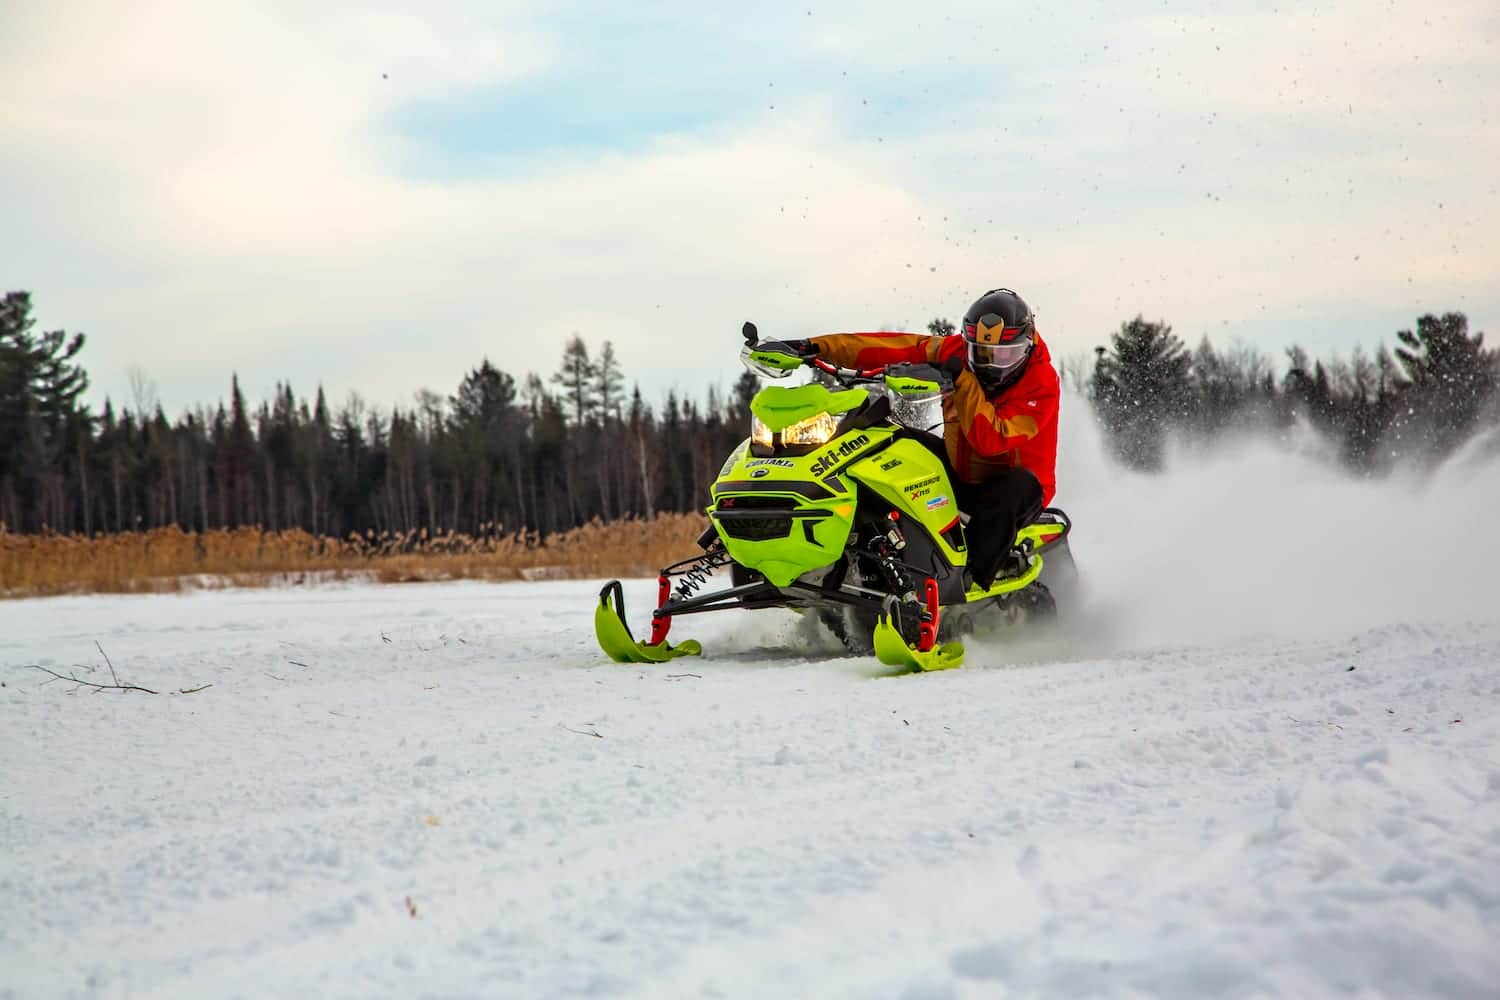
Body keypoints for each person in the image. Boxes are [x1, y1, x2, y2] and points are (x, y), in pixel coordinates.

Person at [778, 288, 1059, 591]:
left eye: (1005, 355)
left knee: (1014, 489)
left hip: (1014, 488)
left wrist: (963, 381)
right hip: (959, 472)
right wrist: (814, 348)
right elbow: (888, 346)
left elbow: (990, 440)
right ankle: (861, 547)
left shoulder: (1041, 384)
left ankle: (971, 578)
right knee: (886, 440)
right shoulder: (954, 353)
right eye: (980, 352)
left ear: (1027, 347)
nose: (990, 363)